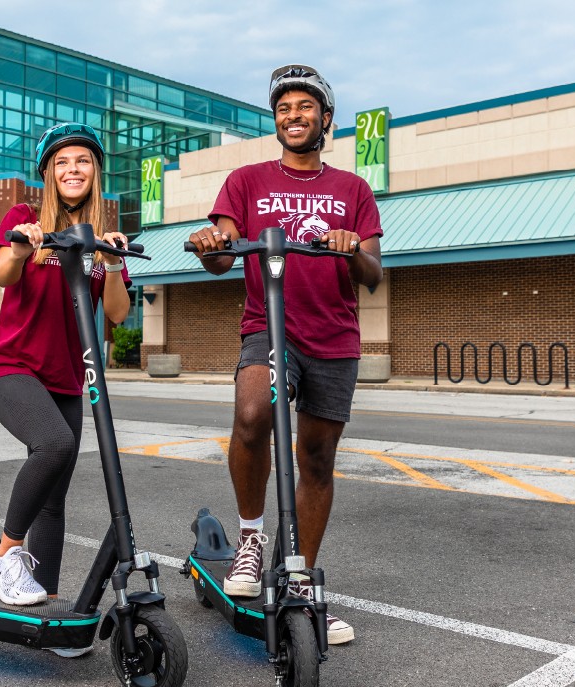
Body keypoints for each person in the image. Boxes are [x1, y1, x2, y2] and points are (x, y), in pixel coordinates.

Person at [187, 64, 383, 645]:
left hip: (334, 337)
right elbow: (223, 253)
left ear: (326, 119)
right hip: (268, 328)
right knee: (251, 416)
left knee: (317, 457)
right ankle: (249, 539)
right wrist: (207, 246)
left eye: (304, 107)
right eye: (282, 109)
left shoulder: (353, 190)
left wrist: (349, 249)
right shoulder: (246, 181)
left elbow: (371, 273)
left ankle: (296, 577)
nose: (292, 117)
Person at [0, 123, 130, 655]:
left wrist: (110, 265)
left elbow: (117, 314)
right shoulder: (23, 218)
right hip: (11, 368)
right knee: (55, 446)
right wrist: (23, 249)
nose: (73, 170)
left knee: (55, 497)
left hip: (67, 375)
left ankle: (54, 607)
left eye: (83, 161)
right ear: (48, 172)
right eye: (62, 161)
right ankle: (4, 555)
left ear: (95, 172)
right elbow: (2, 274)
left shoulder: (99, 240)